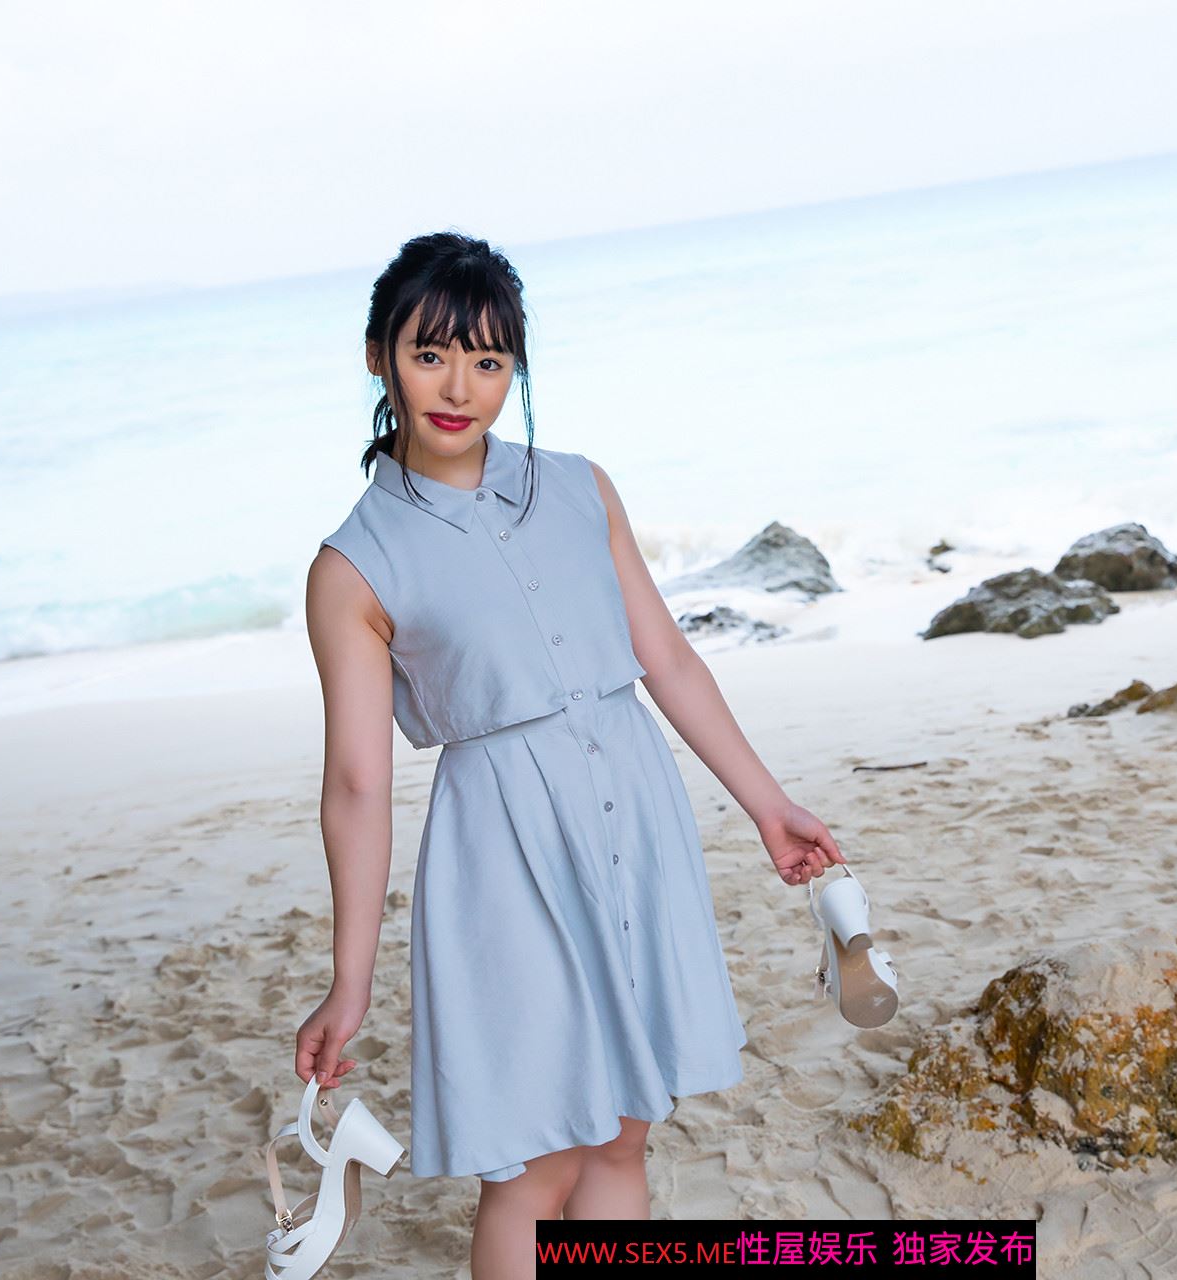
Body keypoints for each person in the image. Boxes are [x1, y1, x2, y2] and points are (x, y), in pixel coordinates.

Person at [294, 231, 844, 1275]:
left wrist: (767, 805)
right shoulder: (352, 567)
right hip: (503, 855)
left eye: (489, 359)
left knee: (625, 1128)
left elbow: (666, 659)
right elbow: (358, 787)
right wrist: (348, 980)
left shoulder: (583, 486)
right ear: (378, 357)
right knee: (535, 1158)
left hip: (636, 815)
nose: (460, 387)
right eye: (429, 354)